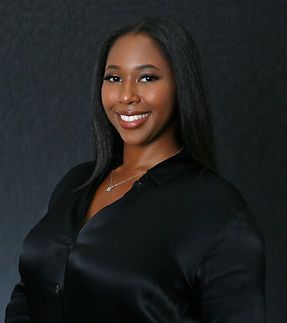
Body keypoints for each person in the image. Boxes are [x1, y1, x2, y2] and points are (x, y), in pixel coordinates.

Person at [5, 17, 265, 323]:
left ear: (181, 85)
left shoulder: (219, 211)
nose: (126, 95)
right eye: (114, 78)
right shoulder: (76, 183)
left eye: (147, 78)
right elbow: (31, 289)